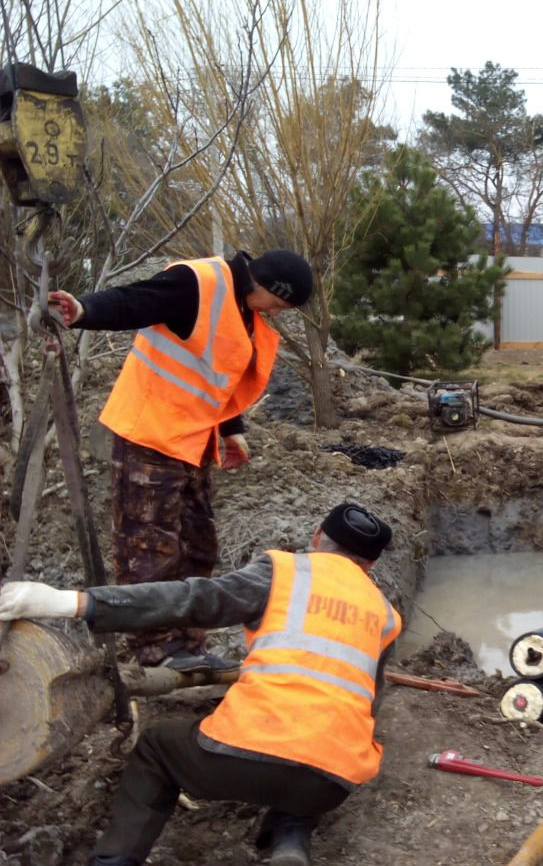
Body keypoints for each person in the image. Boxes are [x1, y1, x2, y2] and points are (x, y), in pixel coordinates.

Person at [0, 502, 401, 866]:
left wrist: (72, 602)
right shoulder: (385, 614)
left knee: (157, 748)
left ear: (317, 538)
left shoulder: (285, 571)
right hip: (332, 783)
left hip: (240, 762)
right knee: (318, 747)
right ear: (371, 565)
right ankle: (290, 838)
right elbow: (367, 703)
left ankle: (115, 860)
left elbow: (191, 599)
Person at [48, 249, 313, 673]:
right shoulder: (199, 283)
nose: (278, 313)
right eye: (280, 304)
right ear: (265, 285)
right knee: (148, 551)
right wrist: (84, 309)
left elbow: (214, 372)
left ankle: (187, 647)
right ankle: (155, 652)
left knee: (197, 546)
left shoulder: (244, 308)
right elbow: (134, 300)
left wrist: (231, 430)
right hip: (149, 435)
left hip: (191, 441)